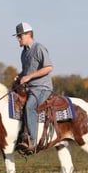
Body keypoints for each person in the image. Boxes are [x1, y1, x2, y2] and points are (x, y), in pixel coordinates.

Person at [13, 22, 54, 153]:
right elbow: (26, 71)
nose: (18, 39)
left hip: (42, 88)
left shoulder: (39, 48)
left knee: (30, 106)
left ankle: (32, 142)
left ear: (29, 34)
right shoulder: (23, 53)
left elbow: (48, 68)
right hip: (30, 88)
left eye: (20, 36)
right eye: (18, 36)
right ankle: (20, 136)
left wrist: (29, 77)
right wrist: (20, 76)